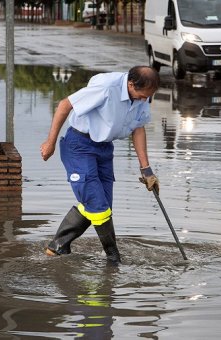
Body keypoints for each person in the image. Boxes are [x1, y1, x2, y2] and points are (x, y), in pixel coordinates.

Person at [40, 66, 161, 264]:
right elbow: (64, 105)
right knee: (98, 207)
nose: (143, 100)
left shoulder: (142, 96)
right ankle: (113, 258)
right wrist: (50, 142)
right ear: (131, 84)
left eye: (148, 97)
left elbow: (138, 128)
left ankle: (58, 246)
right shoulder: (106, 87)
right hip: (79, 145)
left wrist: (146, 170)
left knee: (101, 206)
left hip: (104, 149)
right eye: (141, 95)